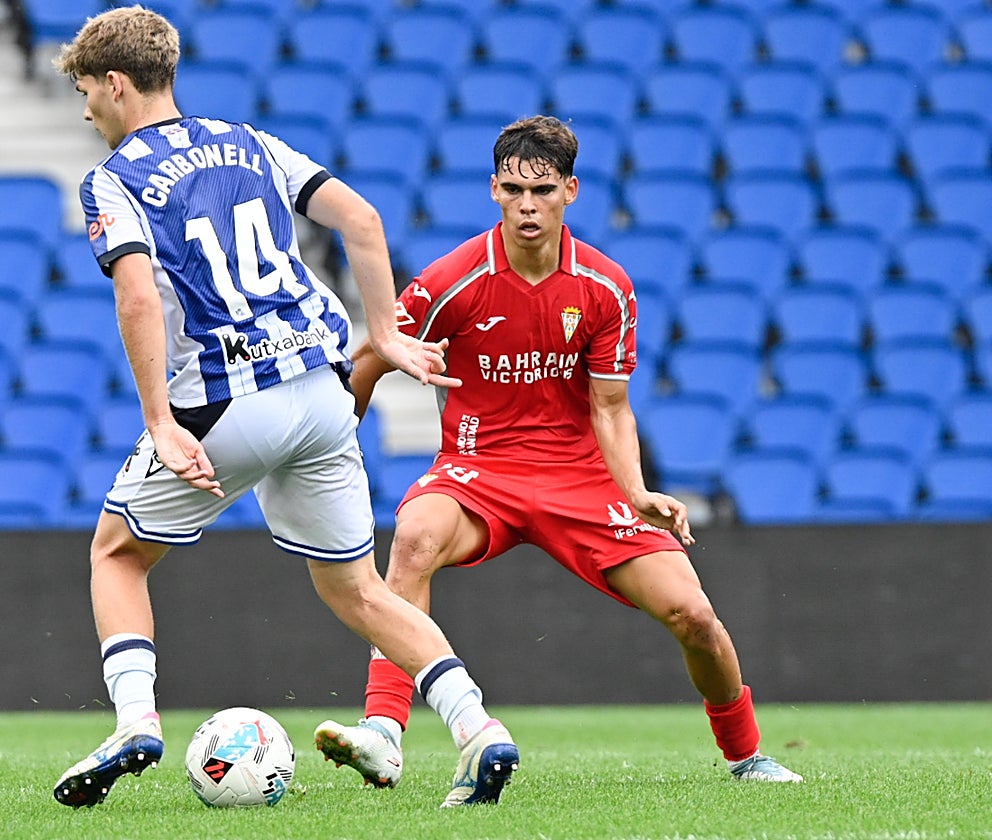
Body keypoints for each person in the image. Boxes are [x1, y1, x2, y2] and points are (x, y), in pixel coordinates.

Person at [49, 6, 518, 810]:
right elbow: (363, 221)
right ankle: (478, 728)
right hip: (323, 388)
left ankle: (134, 721)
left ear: (117, 85)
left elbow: (136, 294)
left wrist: (162, 422)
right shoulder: (249, 142)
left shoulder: (115, 177)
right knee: (359, 591)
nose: (86, 109)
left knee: (116, 554)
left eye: (89, 92)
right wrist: (387, 335)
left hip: (228, 403)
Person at [314, 116, 802, 788]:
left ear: (570, 190)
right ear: (492, 190)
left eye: (541, 190)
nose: (526, 205)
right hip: (477, 470)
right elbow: (373, 358)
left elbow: (609, 405)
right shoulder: (452, 280)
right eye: (512, 190)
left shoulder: (605, 288)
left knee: (695, 617)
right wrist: (336, 452)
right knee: (415, 539)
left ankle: (746, 754)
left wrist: (635, 492)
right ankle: (383, 735)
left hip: (583, 480)